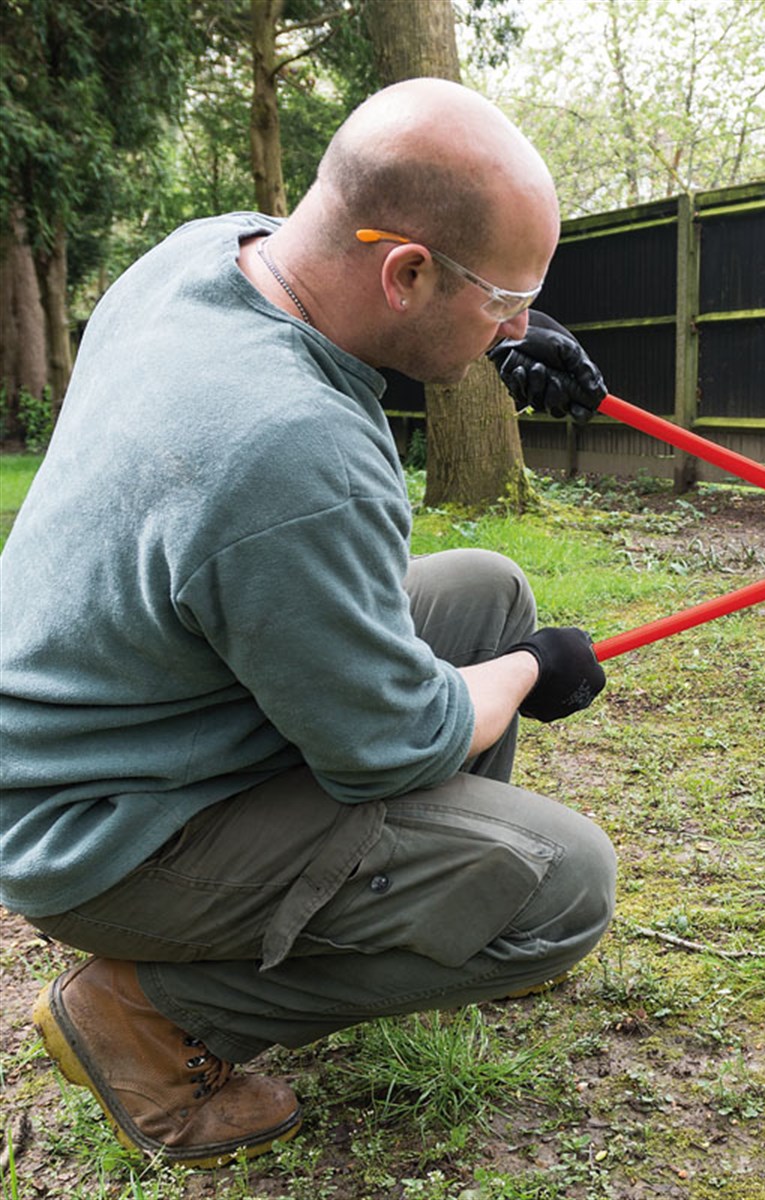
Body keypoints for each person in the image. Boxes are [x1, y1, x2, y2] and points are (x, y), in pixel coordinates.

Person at [0, 78, 616, 1168]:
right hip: (104, 829)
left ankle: (417, 907)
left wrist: (496, 324)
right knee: (564, 891)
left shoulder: (206, 254)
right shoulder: (293, 451)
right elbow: (396, 745)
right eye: (503, 301)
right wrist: (531, 670)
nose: (517, 326)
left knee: (480, 590)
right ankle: (151, 1014)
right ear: (407, 272)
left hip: (116, 716)